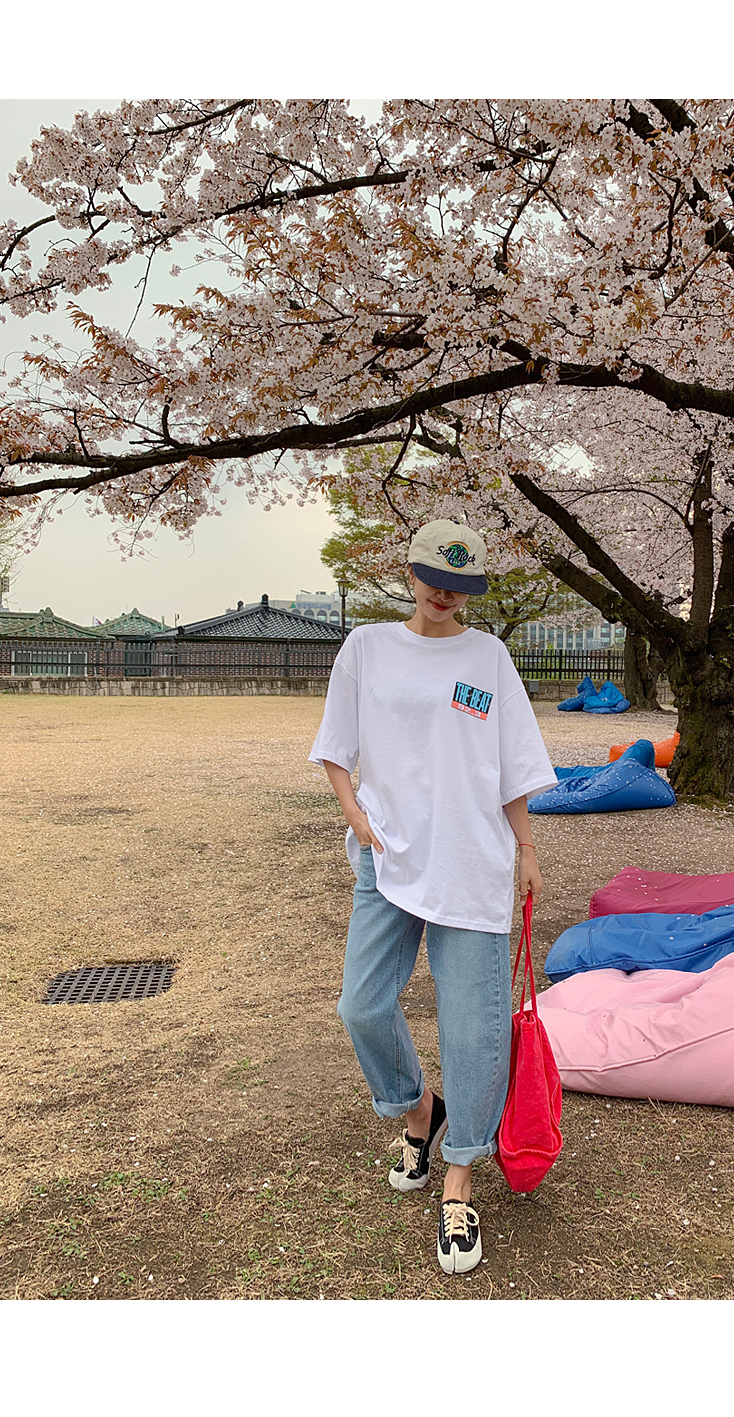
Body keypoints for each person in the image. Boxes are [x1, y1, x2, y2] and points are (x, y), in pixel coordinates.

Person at [309, 520, 558, 1274]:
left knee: (473, 1030)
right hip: (388, 858)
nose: (444, 594)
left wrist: (527, 849)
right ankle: (420, 1109)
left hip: (471, 862)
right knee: (362, 1005)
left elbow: (511, 764)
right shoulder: (367, 648)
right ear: (410, 573)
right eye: (434, 579)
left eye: (460, 585)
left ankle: (458, 1177)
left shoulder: (488, 657)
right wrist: (356, 817)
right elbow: (335, 746)